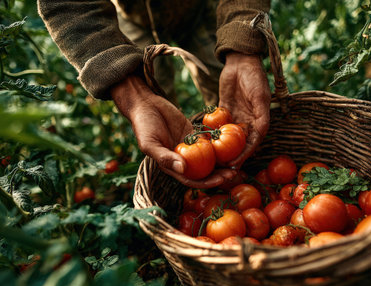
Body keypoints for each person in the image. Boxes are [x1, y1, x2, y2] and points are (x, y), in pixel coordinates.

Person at [37, 0, 272, 188]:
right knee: (160, 115)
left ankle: (242, 170)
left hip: (199, 8)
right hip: (132, 17)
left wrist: (242, 43)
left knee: (224, 87)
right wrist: (132, 93)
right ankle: (178, 188)